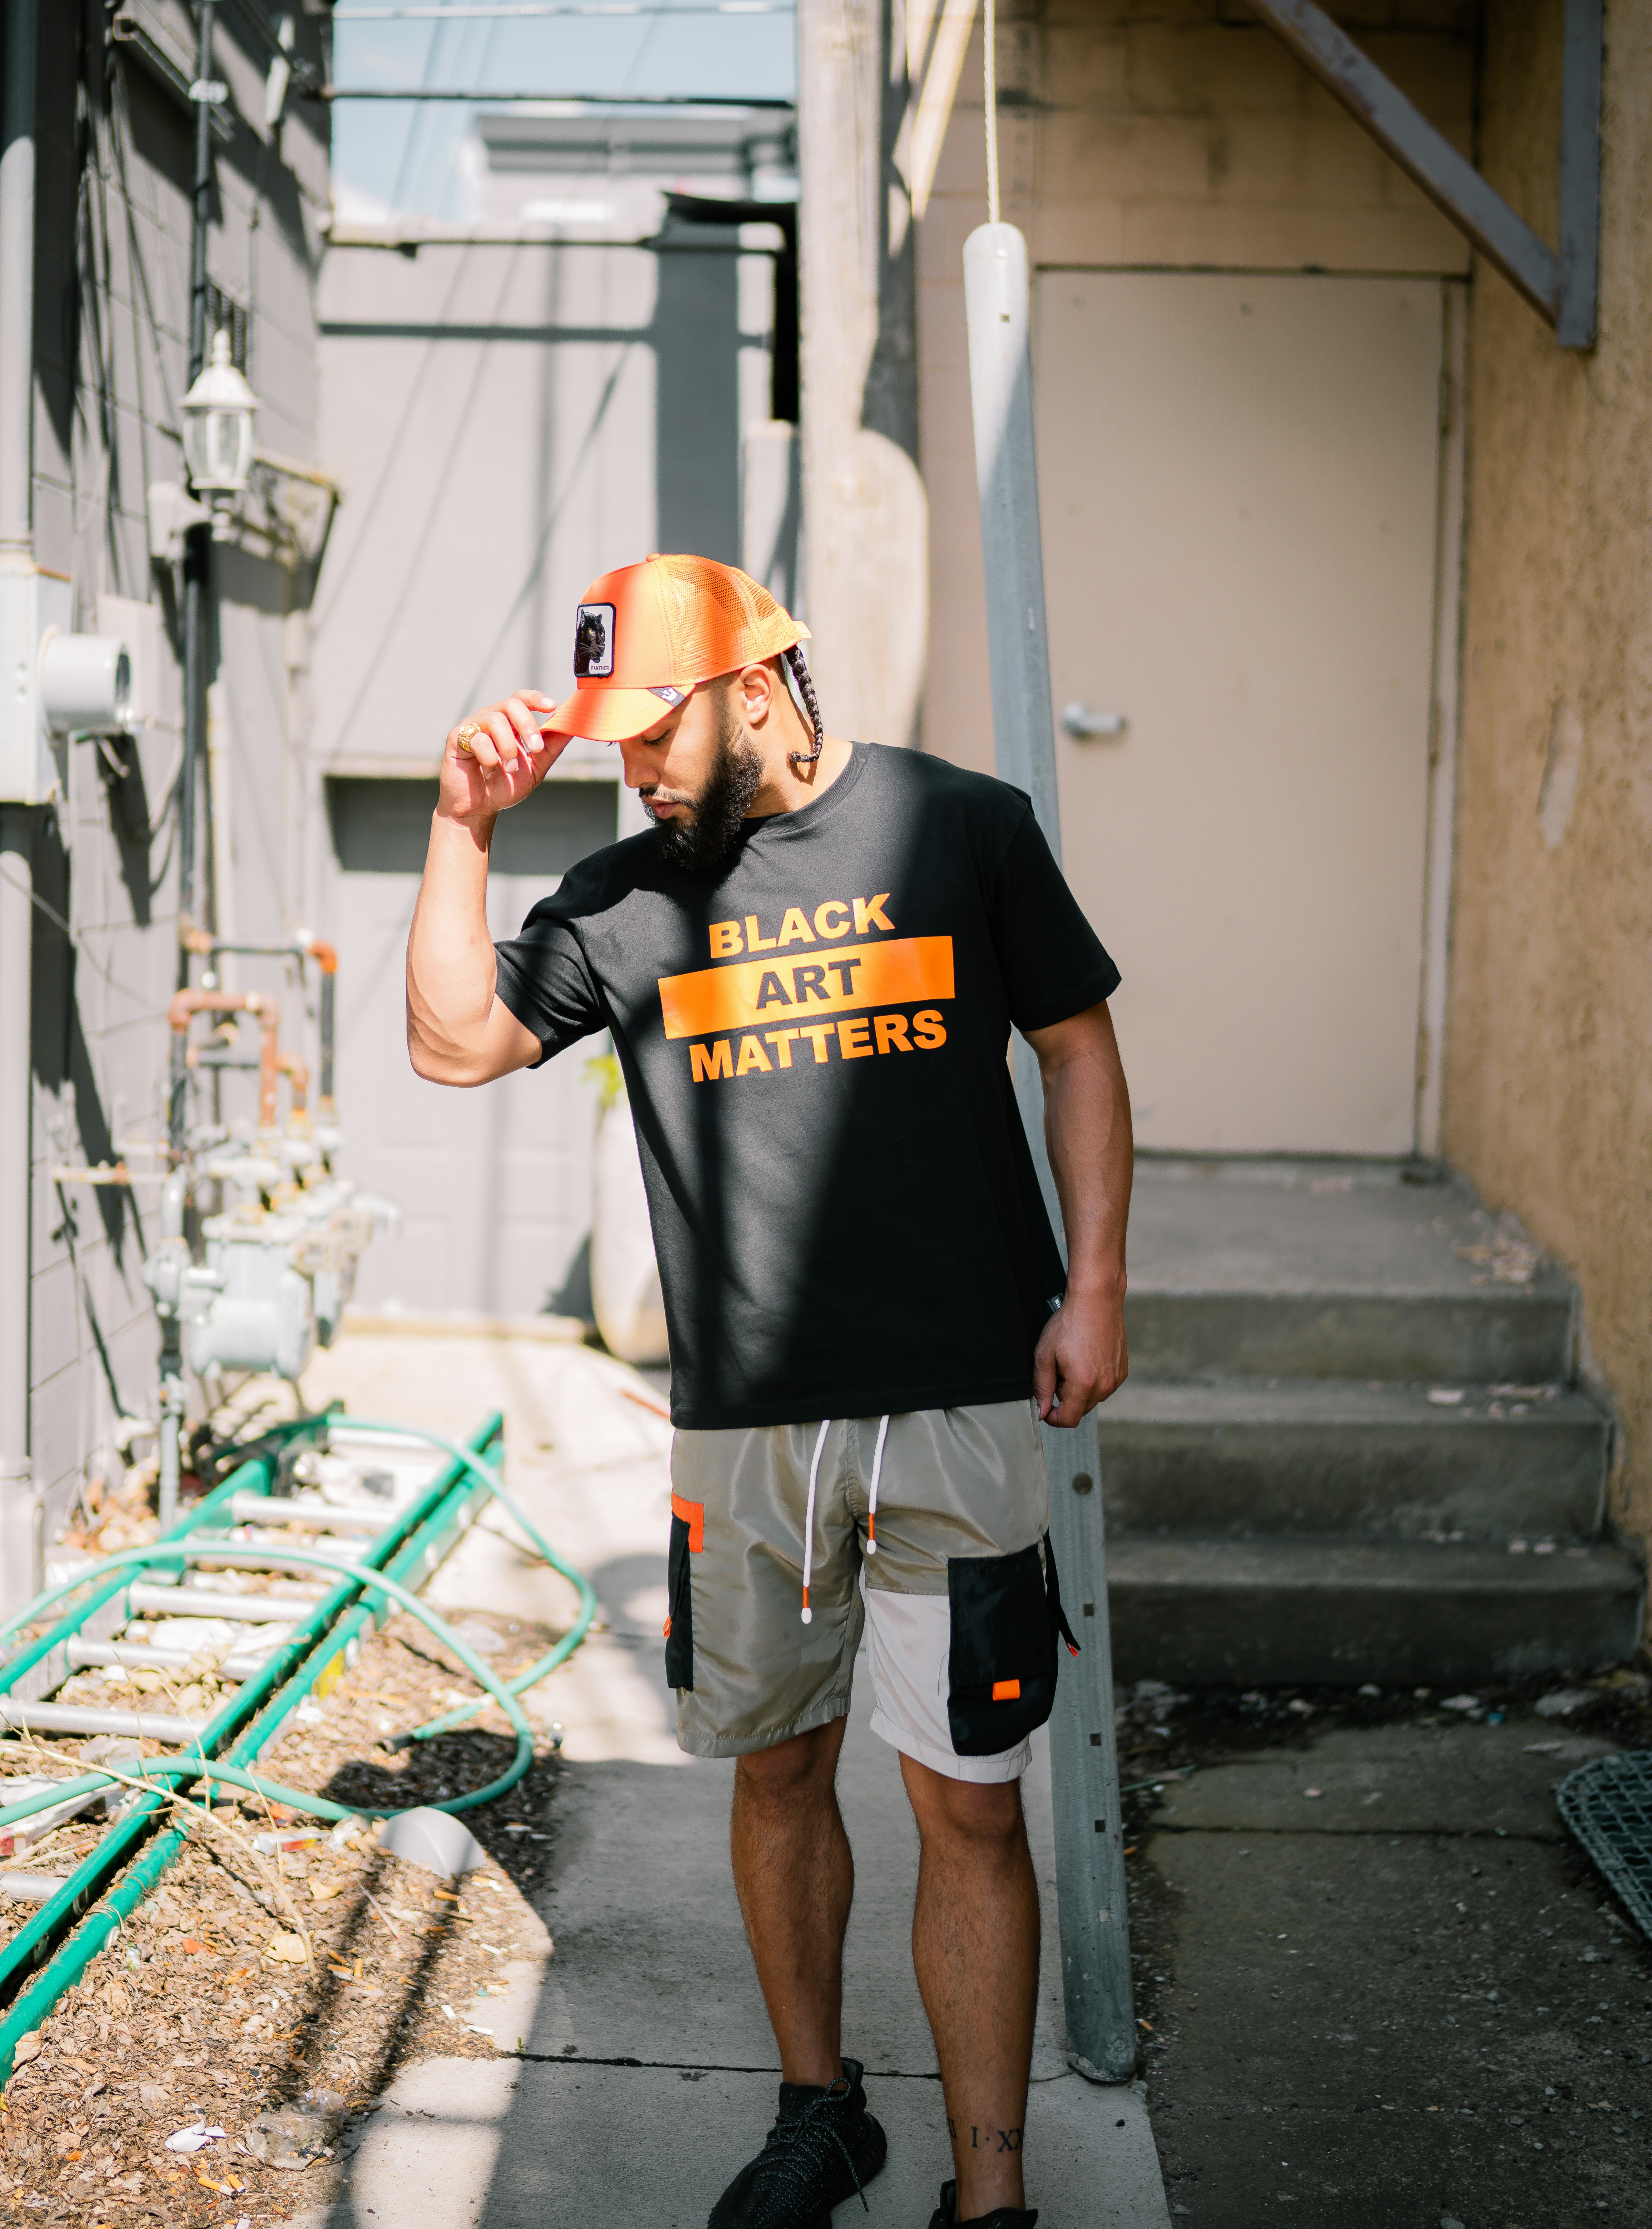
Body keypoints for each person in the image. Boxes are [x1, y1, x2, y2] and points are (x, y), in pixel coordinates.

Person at [405, 554, 1132, 2229]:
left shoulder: (964, 828)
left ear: (755, 686)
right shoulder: (623, 896)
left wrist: (1095, 1281)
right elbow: (452, 1043)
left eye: (652, 729)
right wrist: (460, 823)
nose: (633, 768)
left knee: (969, 1801)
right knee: (778, 1767)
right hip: (743, 1421)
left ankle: (994, 2188)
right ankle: (824, 2109)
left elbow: (1079, 1046)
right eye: (611, 743)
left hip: (958, 1393)